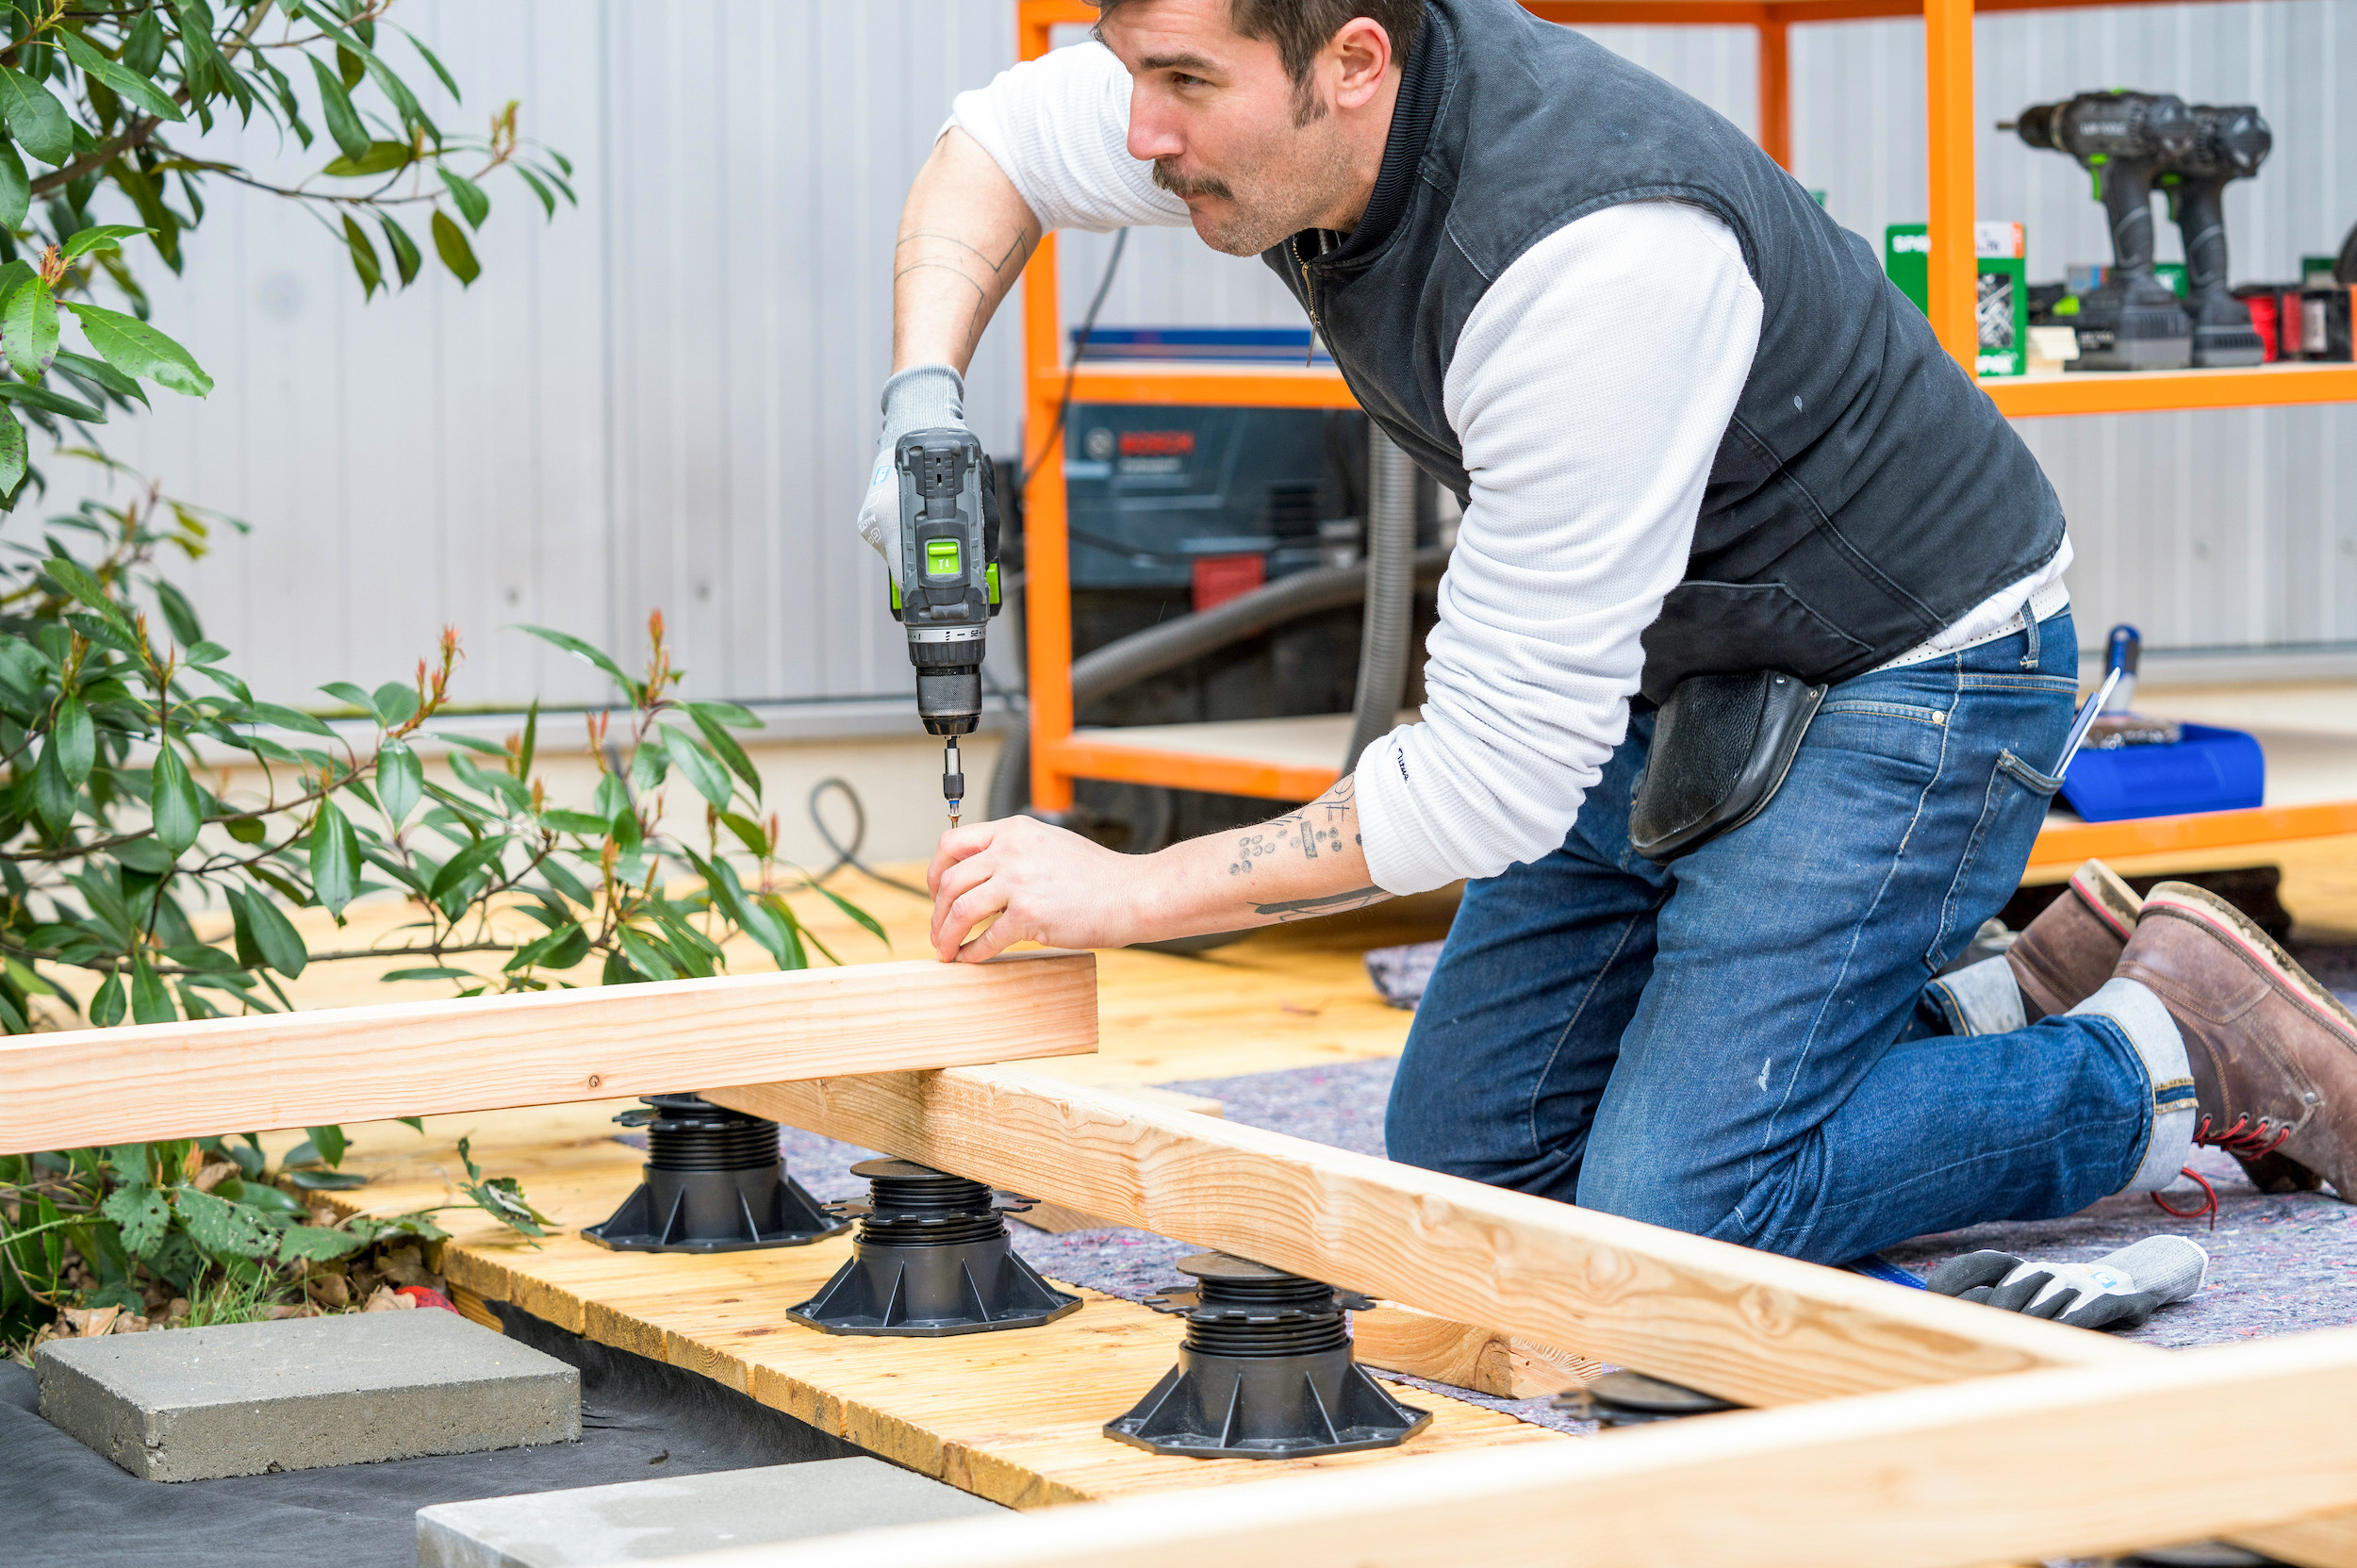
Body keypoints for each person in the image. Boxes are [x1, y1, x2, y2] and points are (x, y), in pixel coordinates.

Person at [862, 0, 2357, 1264]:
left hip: (1912, 666)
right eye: (1131, 71)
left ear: (1356, 65)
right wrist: (924, 400)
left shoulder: (1588, 256)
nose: (1140, 131)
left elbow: (1482, 788)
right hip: (1668, 654)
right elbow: (991, 146)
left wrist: (1129, 896)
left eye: (1183, 87)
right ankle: (1983, 1002)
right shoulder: (1232, 90)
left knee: (1682, 1212)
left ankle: (2172, 1046)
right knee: (1471, 1173)